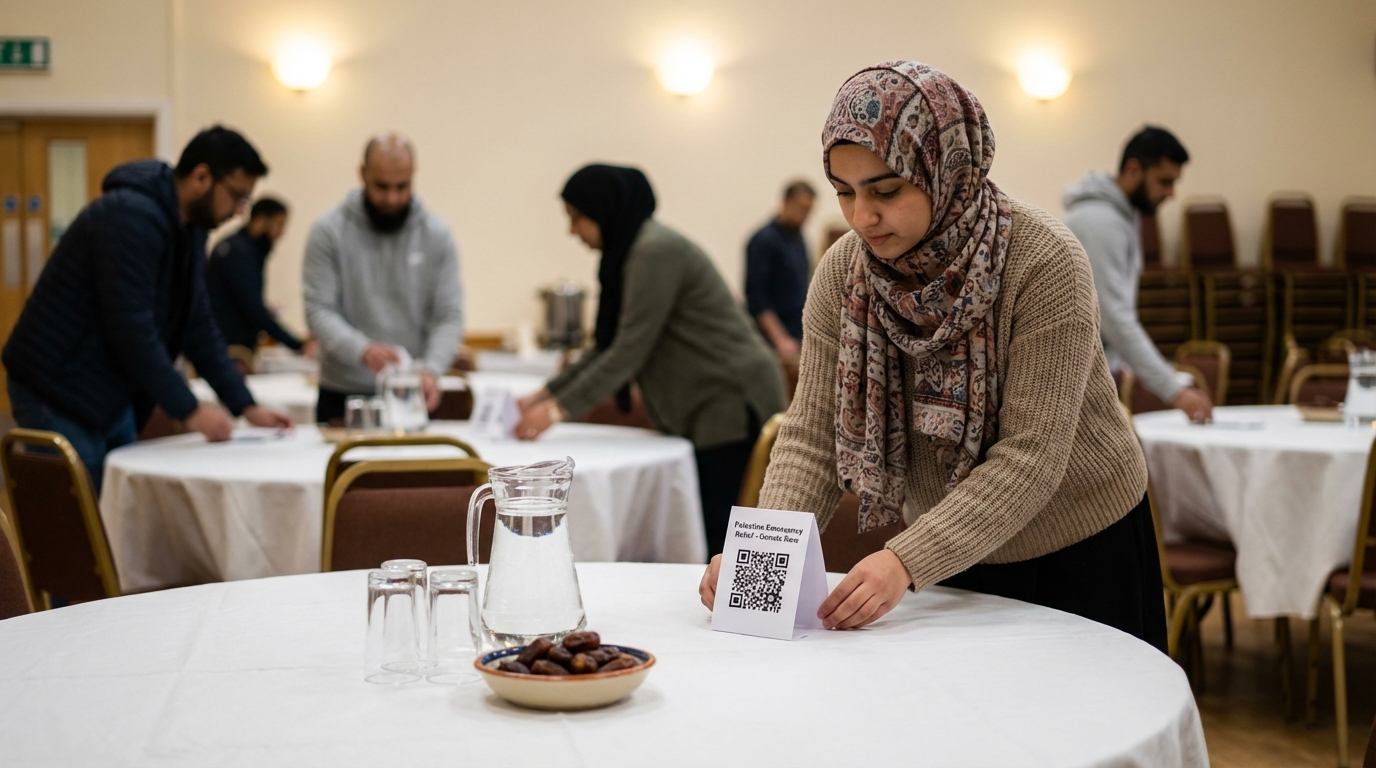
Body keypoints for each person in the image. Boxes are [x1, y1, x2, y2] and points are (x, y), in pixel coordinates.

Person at [697, 62, 1166, 651]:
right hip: (953, 547)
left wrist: (906, 559)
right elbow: (814, 437)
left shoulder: (1044, 261)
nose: (861, 217)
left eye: (885, 191)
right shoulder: (845, 272)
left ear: (946, 170)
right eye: (844, 192)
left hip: (1078, 546)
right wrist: (761, 558)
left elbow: (1031, 456)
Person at [515, 164, 787, 558]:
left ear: (604, 210)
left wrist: (556, 410)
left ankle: (730, 600)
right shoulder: (630, 252)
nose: (572, 231)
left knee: (723, 536)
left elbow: (628, 351)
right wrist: (542, 395)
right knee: (711, 530)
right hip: (710, 400)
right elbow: (606, 347)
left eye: (577, 217)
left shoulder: (654, 251)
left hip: (729, 400)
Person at [2, 126, 295, 488]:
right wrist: (190, 410)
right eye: (237, 196)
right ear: (201, 177)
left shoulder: (189, 229)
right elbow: (131, 328)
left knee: (119, 502)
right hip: (57, 388)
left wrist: (246, 406)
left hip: (107, 390)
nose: (239, 211)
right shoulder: (130, 215)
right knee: (81, 515)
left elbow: (197, 324)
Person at [303, 133, 464, 423]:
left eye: (402, 187)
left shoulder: (437, 235)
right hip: (343, 393)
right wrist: (361, 350)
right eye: (382, 186)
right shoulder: (328, 232)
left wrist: (432, 369)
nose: (392, 198)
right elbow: (319, 310)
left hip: (410, 392)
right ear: (362, 174)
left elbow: (448, 315)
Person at [1063, 126, 1212, 423]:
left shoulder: (1121, 216)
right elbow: (1115, 319)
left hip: (1090, 374)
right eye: (1165, 181)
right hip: (1071, 380)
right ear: (1133, 170)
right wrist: (1175, 390)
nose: (1171, 193)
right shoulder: (1100, 222)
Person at [206, 197, 315, 356]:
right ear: (260, 220)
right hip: (228, 348)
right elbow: (254, 309)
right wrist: (297, 345)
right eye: (279, 225)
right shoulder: (238, 253)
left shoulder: (246, 250)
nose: (280, 234)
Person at [745, 180, 816, 358]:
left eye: (809, 211)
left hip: (796, 334)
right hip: (771, 343)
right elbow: (757, 298)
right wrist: (780, 340)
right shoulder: (764, 241)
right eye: (802, 209)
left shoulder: (799, 239)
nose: (805, 216)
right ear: (786, 202)